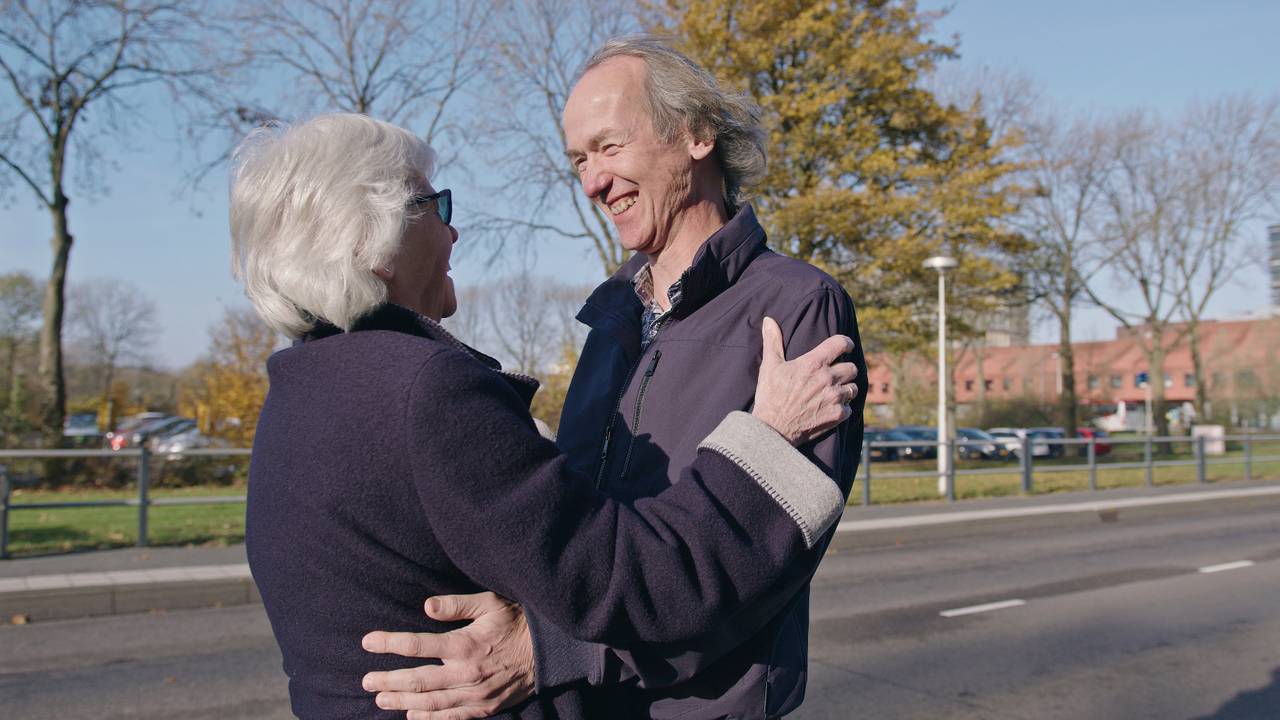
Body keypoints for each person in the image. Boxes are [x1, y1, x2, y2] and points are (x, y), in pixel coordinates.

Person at [233, 112, 861, 719]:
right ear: (368, 240)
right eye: (435, 207)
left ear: (696, 139)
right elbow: (631, 578)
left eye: (608, 147)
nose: (453, 232)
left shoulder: (299, 389)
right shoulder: (426, 390)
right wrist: (769, 437)